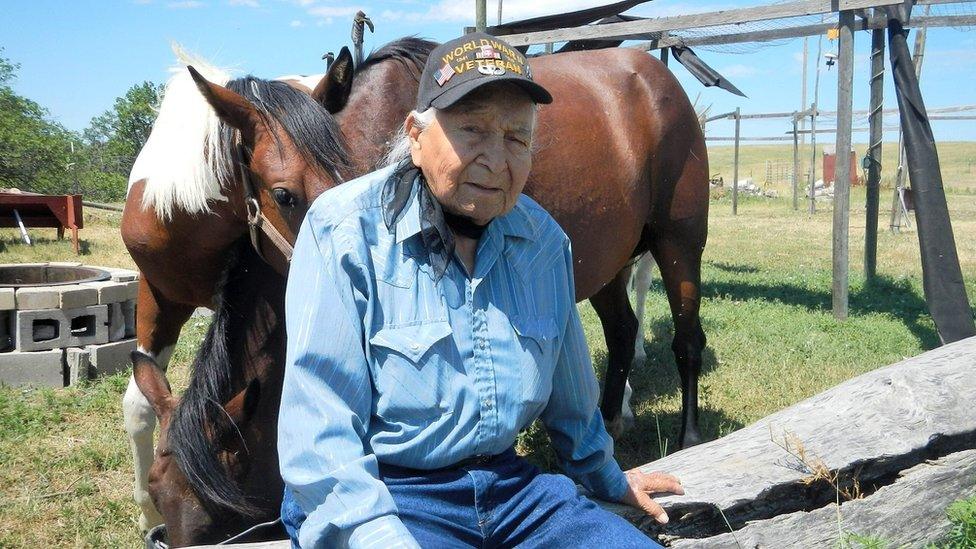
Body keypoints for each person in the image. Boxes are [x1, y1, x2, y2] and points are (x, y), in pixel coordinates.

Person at [277, 32, 683, 549]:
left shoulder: (542, 243)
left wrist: (605, 475)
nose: (497, 160)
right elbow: (319, 429)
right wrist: (375, 535)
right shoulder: (344, 233)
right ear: (416, 135)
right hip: (385, 495)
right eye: (471, 130)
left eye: (517, 138)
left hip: (513, 491)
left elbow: (574, 396)